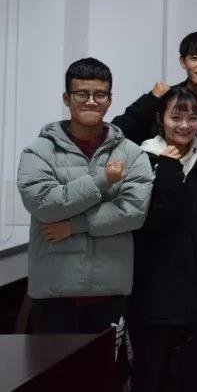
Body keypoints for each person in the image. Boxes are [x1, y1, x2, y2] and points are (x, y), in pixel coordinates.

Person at [17, 57, 152, 341]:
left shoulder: (132, 153)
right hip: (54, 293)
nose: (91, 101)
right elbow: (44, 205)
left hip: (110, 290)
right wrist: (103, 179)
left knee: (106, 369)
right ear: (67, 98)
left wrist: (73, 226)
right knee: (54, 370)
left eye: (100, 94)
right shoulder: (39, 151)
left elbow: (133, 213)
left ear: (110, 100)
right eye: (82, 94)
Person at [129, 87, 197, 392]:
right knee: (148, 377)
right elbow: (145, 222)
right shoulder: (140, 160)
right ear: (160, 119)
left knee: (195, 379)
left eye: (192, 118)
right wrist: (167, 168)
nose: (185, 125)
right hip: (147, 297)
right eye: (176, 117)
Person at [114, 31, 197, 152]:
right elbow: (117, 134)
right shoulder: (166, 99)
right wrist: (151, 99)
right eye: (194, 58)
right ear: (183, 61)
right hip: (166, 167)